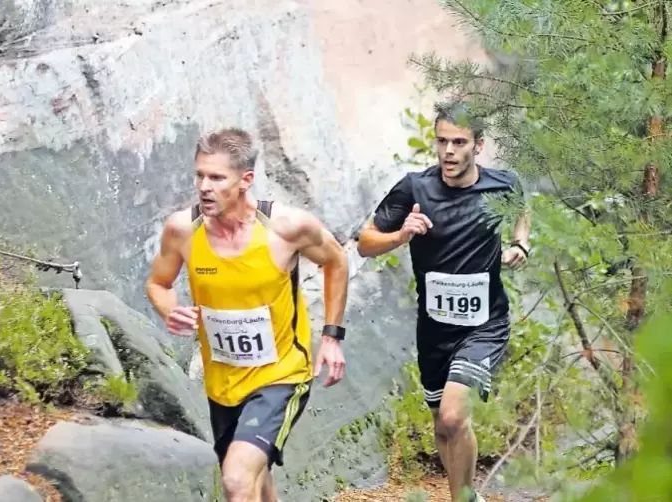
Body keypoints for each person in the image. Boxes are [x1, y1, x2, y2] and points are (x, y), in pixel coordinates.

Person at [145, 127, 349, 502]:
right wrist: (169, 311)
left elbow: (337, 261)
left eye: (217, 177)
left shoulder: (286, 229)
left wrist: (332, 337)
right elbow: (159, 283)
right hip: (223, 383)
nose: (204, 186)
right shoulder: (183, 231)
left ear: (245, 181)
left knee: (237, 480)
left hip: (281, 374)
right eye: (199, 175)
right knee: (255, 480)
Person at [357, 100, 530, 502]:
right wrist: (400, 235)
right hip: (434, 328)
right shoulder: (414, 188)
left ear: (479, 145)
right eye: (441, 142)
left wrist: (521, 242)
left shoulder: (502, 184)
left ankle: (464, 498)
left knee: (454, 415)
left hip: (484, 324)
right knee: (442, 425)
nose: (448, 152)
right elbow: (365, 242)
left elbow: (522, 206)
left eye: (458, 142)